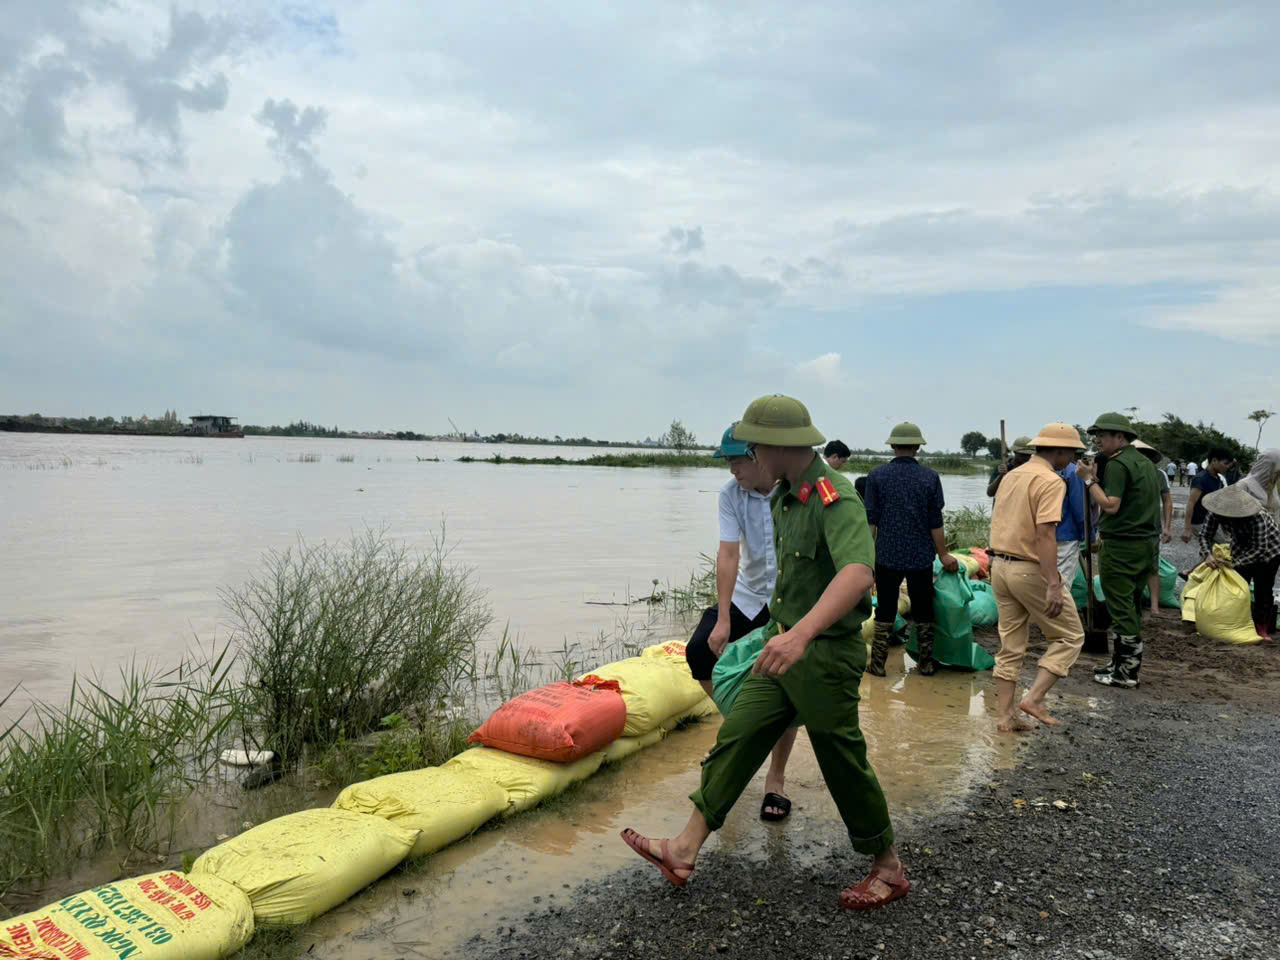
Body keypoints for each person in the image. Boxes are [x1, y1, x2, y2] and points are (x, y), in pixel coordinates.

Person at [621, 394, 908, 912]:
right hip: (781, 648)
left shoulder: (833, 497)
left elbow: (858, 573)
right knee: (736, 734)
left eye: (753, 444)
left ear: (777, 445)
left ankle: (888, 868)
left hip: (822, 654)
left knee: (841, 757)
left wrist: (800, 635)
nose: (747, 453)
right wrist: (776, 632)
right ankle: (683, 850)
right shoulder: (782, 496)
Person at [684, 424, 797, 820]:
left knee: (786, 677)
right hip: (750, 594)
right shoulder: (731, 495)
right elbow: (728, 554)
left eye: (736, 461)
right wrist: (724, 616)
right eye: (728, 462)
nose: (732, 470)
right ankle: (745, 729)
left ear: (758, 457)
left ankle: (775, 780)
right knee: (700, 651)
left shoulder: (791, 491)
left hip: (789, 598)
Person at [989, 423, 1087, 731]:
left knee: (1011, 645)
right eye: (1072, 452)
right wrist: (1054, 584)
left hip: (999, 567)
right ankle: (1034, 698)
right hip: (1028, 569)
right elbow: (1046, 534)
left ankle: (1005, 719)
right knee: (1071, 635)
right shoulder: (1050, 480)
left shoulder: (1010, 476)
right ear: (1058, 450)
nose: (1073, 459)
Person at [863, 422, 958, 677]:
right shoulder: (929, 477)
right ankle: (925, 664)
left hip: (886, 555)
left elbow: (870, 521)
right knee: (923, 607)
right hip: (920, 556)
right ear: (917, 447)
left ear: (893, 446)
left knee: (885, 608)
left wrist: (864, 559)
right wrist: (943, 554)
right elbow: (935, 523)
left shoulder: (876, 476)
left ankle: (878, 664)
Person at [1077, 413, 1161, 689]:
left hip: (1122, 544)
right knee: (1132, 603)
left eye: (1103, 435)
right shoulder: (1145, 463)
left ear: (1120, 437)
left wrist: (1089, 481)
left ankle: (1126, 672)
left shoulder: (1118, 464)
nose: (1098, 440)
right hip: (1145, 544)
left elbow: (1110, 505)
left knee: (1120, 604)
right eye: (1097, 435)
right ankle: (1121, 663)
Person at [1198, 486, 1280, 640]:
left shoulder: (1258, 517)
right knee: (1237, 587)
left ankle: (1262, 628)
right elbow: (1204, 535)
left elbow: (1260, 549)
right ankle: (1236, 622)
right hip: (1240, 547)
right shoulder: (1216, 512)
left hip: (1270, 551)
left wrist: (1235, 563)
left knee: (1263, 589)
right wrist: (1207, 555)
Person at [1133, 440, 1174, 616]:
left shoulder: (1159, 475)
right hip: (1128, 528)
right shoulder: (1123, 472)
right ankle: (1133, 604)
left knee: (1152, 567)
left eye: (1145, 455)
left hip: (1151, 528)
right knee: (1131, 567)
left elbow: (1167, 500)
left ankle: (1155, 606)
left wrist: (1167, 527)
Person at [1182, 449, 1233, 544]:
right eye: (1225, 464)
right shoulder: (1201, 479)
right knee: (1222, 546)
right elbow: (1191, 503)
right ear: (1214, 461)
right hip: (1199, 523)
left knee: (1211, 553)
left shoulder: (1218, 480)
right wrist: (1187, 529)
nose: (1227, 467)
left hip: (1211, 522)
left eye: (1228, 465)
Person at [1055, 449, 1087, 592]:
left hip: (1046, 535)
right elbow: (1080, 509)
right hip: (1067, 536)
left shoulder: (1048, 470)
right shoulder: (1074, 472)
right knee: (1062, 583)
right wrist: (1088, 535)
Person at [1241, 449, 1280, 525]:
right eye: (1277, 472)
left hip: (1273, 535)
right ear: (1267, 467)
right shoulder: (1244, 486)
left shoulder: (1272, 487)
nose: (1278, 476)